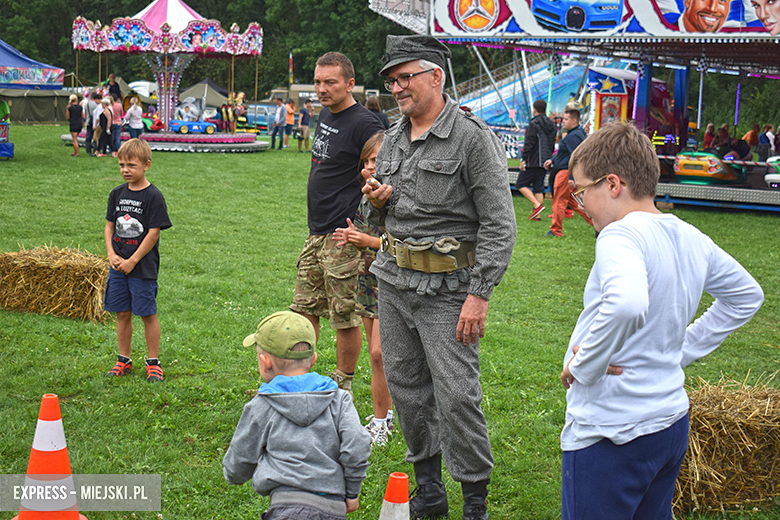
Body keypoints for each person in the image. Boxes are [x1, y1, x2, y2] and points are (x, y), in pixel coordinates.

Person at [560, 122, 763, 520]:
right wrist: (680, 350)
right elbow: (746, 295)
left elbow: (627, 304)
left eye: (582, 193)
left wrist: (586, 365)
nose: (581, 206)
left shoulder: (619, 235)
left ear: (612, 184)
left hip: (612, 430)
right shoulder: (689, 235)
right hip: (667, 423)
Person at [362, 35, 517, 520]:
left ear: (435, 76)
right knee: (406, 387)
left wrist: (479, 294)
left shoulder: (472, 138)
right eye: (392, 81)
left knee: (457, 395)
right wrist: (377, 202)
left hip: (449, 292)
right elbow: (379, 218)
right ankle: (429, 490)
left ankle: (475, 502)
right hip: (394, 281)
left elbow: (500, 224)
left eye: (405, 77)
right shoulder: (392, 136)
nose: (397, 88)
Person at [289, 51, 384, 395]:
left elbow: (382, 172)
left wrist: (367, 215)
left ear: (350, 84)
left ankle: (342, 385)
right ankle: (298, 379)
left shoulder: (366, 124)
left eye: (330, 82)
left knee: (345, 314)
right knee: (304, 308)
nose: (321, 89)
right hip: (316, 229)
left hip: (344, 232)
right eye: (317, 82)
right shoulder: (326, 113)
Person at [223, 311, 371, 519]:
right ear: (313, 360)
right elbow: (357, 444)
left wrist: (234, 474)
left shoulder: (261, 406)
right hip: (333, 509)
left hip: (285, 509)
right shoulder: (339, 400)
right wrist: (352, 491)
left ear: (265, 362)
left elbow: (242, 453)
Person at [333, 131, 394, 447]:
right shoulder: (366, 195)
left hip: (390, 280)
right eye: (366, 161)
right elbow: (367, 235)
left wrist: (367, 240)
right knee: (377, 355)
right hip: (367, 278)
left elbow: (400, 243)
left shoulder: (395, 195)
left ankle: (382, 422)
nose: (369, 167)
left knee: (379, 354)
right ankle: (386, 415)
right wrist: (353, 236)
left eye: (376, 160)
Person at [104, 138, 172, 382]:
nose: (125, 170)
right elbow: (109, 226)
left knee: (147, 314)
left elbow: (153, 233)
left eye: (131, 165)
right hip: (118, 267)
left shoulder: (153, 196)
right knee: (122, 313)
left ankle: (153, 363)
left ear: (146, 165)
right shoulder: (116, 194)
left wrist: (132, 260)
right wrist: (112, 254)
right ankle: (124, 360)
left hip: (142, 268)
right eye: (122, 165)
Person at [544, 107, 592, 237]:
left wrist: (571, 177)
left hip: (565, 172)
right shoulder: (577, 133)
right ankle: (598, 224)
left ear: (574, 121)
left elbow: (574, 157)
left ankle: (556, 230)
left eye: (565, 119)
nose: (563, 122)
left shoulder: (573, 136)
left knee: (559, 200)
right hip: (566, 171)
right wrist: (553, 160)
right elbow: (566, 155)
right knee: (574, 203)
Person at [517, 99, 556, 220]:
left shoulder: (534, 124)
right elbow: (552, 143)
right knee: (538, 187)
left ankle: (537, 205)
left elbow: (529, 143)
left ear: (534, 109)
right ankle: (537, 215)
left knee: (520, 184)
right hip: (545, 160)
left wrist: (524, 158)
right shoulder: (552, 125)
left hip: (534, 160)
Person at [85, 92, 102, 156]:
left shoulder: (87, 104)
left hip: (88, 121)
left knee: (88, 137)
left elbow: (86, 113)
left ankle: (88, 149)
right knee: (96, 137)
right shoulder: (97, 105)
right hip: (95, 122)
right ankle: (95, 150)